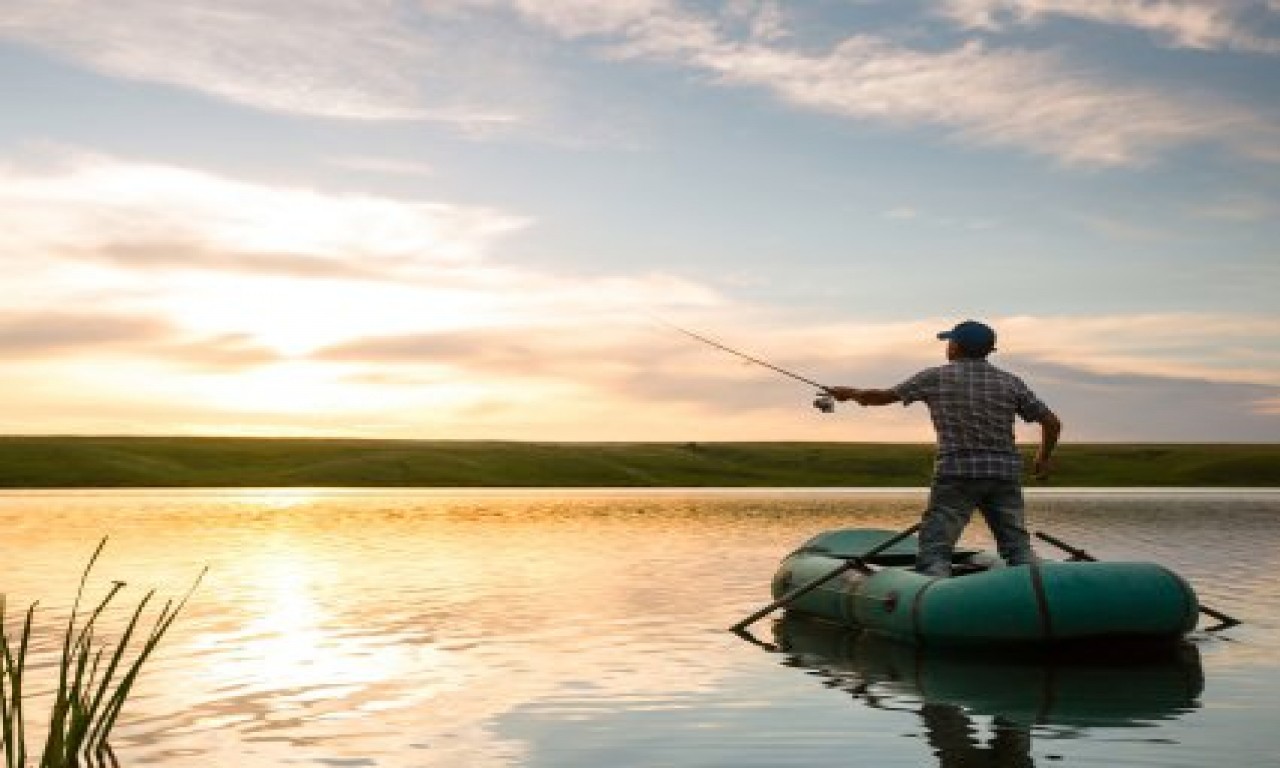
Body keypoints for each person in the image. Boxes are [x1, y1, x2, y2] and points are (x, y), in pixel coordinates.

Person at [829, 320, 1062, 577]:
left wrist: (849, 393)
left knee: (936, 551)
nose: (948, 346)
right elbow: (1051, 422)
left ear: (956, 347)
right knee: (1017, 548)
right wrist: (1043, 457)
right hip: (1003, 474)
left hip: (956, 473)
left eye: (950, 342)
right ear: (988, 350)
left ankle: (932, 592)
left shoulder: (935, 377)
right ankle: (1040, 590)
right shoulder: (1011, 382)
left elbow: (882, 397)